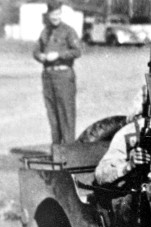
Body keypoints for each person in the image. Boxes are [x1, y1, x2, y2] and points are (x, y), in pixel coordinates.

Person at [32, 0, 81, 145]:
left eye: (58, 14)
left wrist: (58, 55)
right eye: (53, 14)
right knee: (52, 115)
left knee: (66, 114)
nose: (55, 17)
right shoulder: (45, 31)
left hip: (63, 77)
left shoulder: (68, 31)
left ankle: (68, 152)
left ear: (61, 13)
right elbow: (36, 49)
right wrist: (39, 56)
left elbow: (77, 51)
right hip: (48, 77)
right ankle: (57, 150)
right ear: (48, 15)